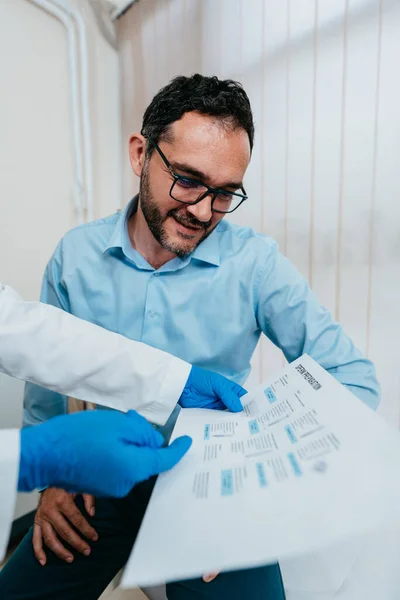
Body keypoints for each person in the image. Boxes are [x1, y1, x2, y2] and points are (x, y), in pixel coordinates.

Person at [0, 75, 379, 600]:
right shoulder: (76, 256)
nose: (203, 210)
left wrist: (271, 490)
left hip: (212, 492)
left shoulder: (256, 263)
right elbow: (41, 374)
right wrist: (52, 479)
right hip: (103, 478)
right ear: (140, 154)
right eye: (187, 179)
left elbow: (352, 379)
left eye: (225, 193)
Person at [0, 283, 244, 563]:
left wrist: (176, 382)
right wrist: (31, 460)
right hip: (94, 485)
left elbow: (24, 332)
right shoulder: (76, 256)